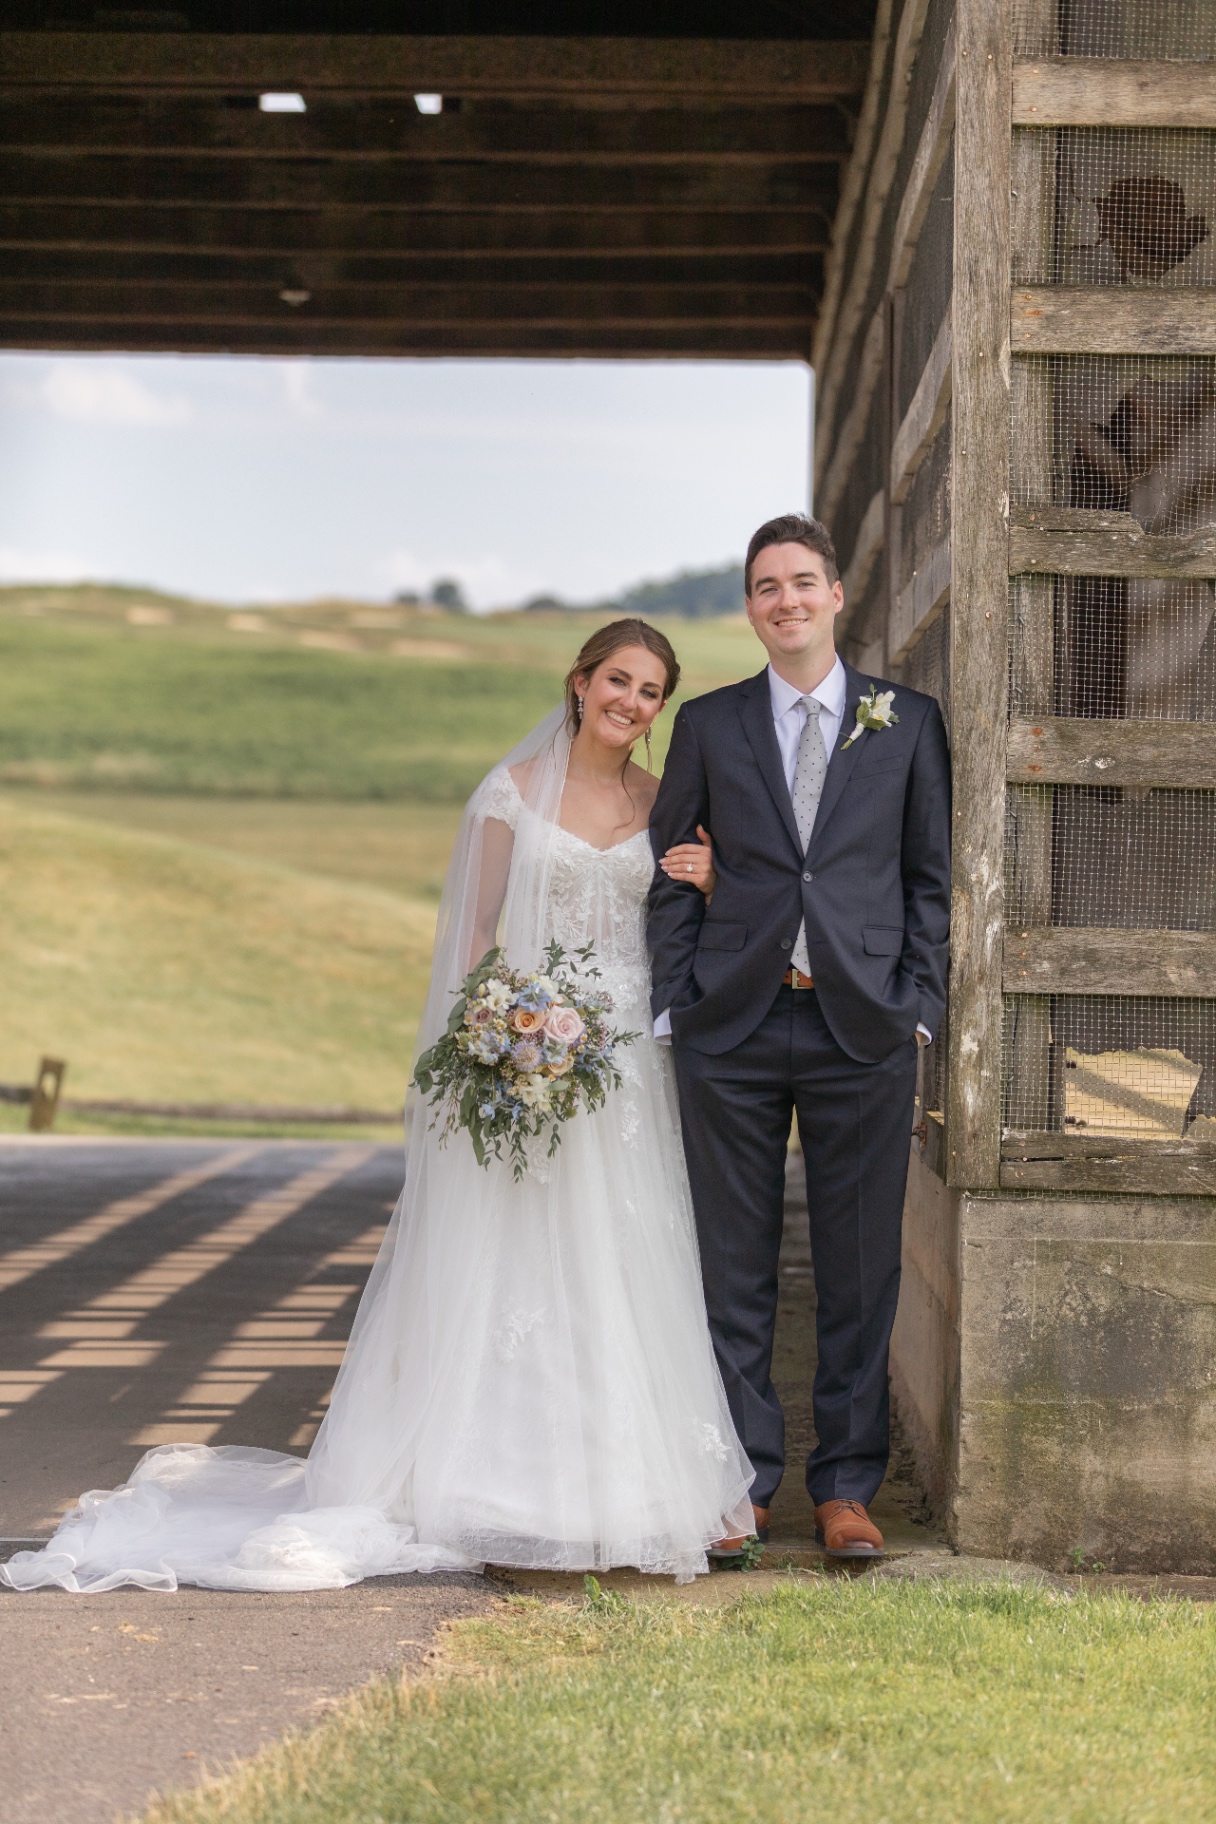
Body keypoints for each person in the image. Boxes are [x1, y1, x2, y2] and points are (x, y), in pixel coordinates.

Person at [1, 619, 755, 1595]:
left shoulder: (663, 804)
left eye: (651, 691)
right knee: (522, 1264)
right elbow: (476, 938)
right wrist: (501, 1042)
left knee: (626, 1262)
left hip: (623, 1075)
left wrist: (708, 874)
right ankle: (503, 1487)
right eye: (618, 680)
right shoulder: (510, 796)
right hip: (526, 1055)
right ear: (578, 681)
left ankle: (631, 1488)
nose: (632, 702)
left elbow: (693, 923)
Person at [648, 514, 951, 1558]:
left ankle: (847, 1487)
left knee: (859, 1270)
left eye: (802, 581)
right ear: (749, 607)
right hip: (730, 1026)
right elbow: (671, 871)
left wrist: (918, 1001)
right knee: (730, 1266)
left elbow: (926, 882)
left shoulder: (905, 721)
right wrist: (674, 1001)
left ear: (833, 597)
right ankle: (743, 1484)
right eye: (765, 585)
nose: (785, 600)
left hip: (861, 1025)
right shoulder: (709, 724)